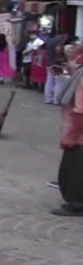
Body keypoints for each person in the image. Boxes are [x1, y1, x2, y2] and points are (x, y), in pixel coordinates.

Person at [53, 46, 83, 216]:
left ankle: (76, 203)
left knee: (73, 172)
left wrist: (70, 136)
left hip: (80, 135)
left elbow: (81, 111)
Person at [44, 33, 67, 105]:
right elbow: (58, 50)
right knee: (59, 82)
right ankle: (56, 100)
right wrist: (62, 58)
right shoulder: (59, 41)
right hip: (57, 63)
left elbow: (44, 52)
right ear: (63, 35)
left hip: (49, 63)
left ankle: (48, 99)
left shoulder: (48, 41)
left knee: (49, 81)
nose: (65, 39)